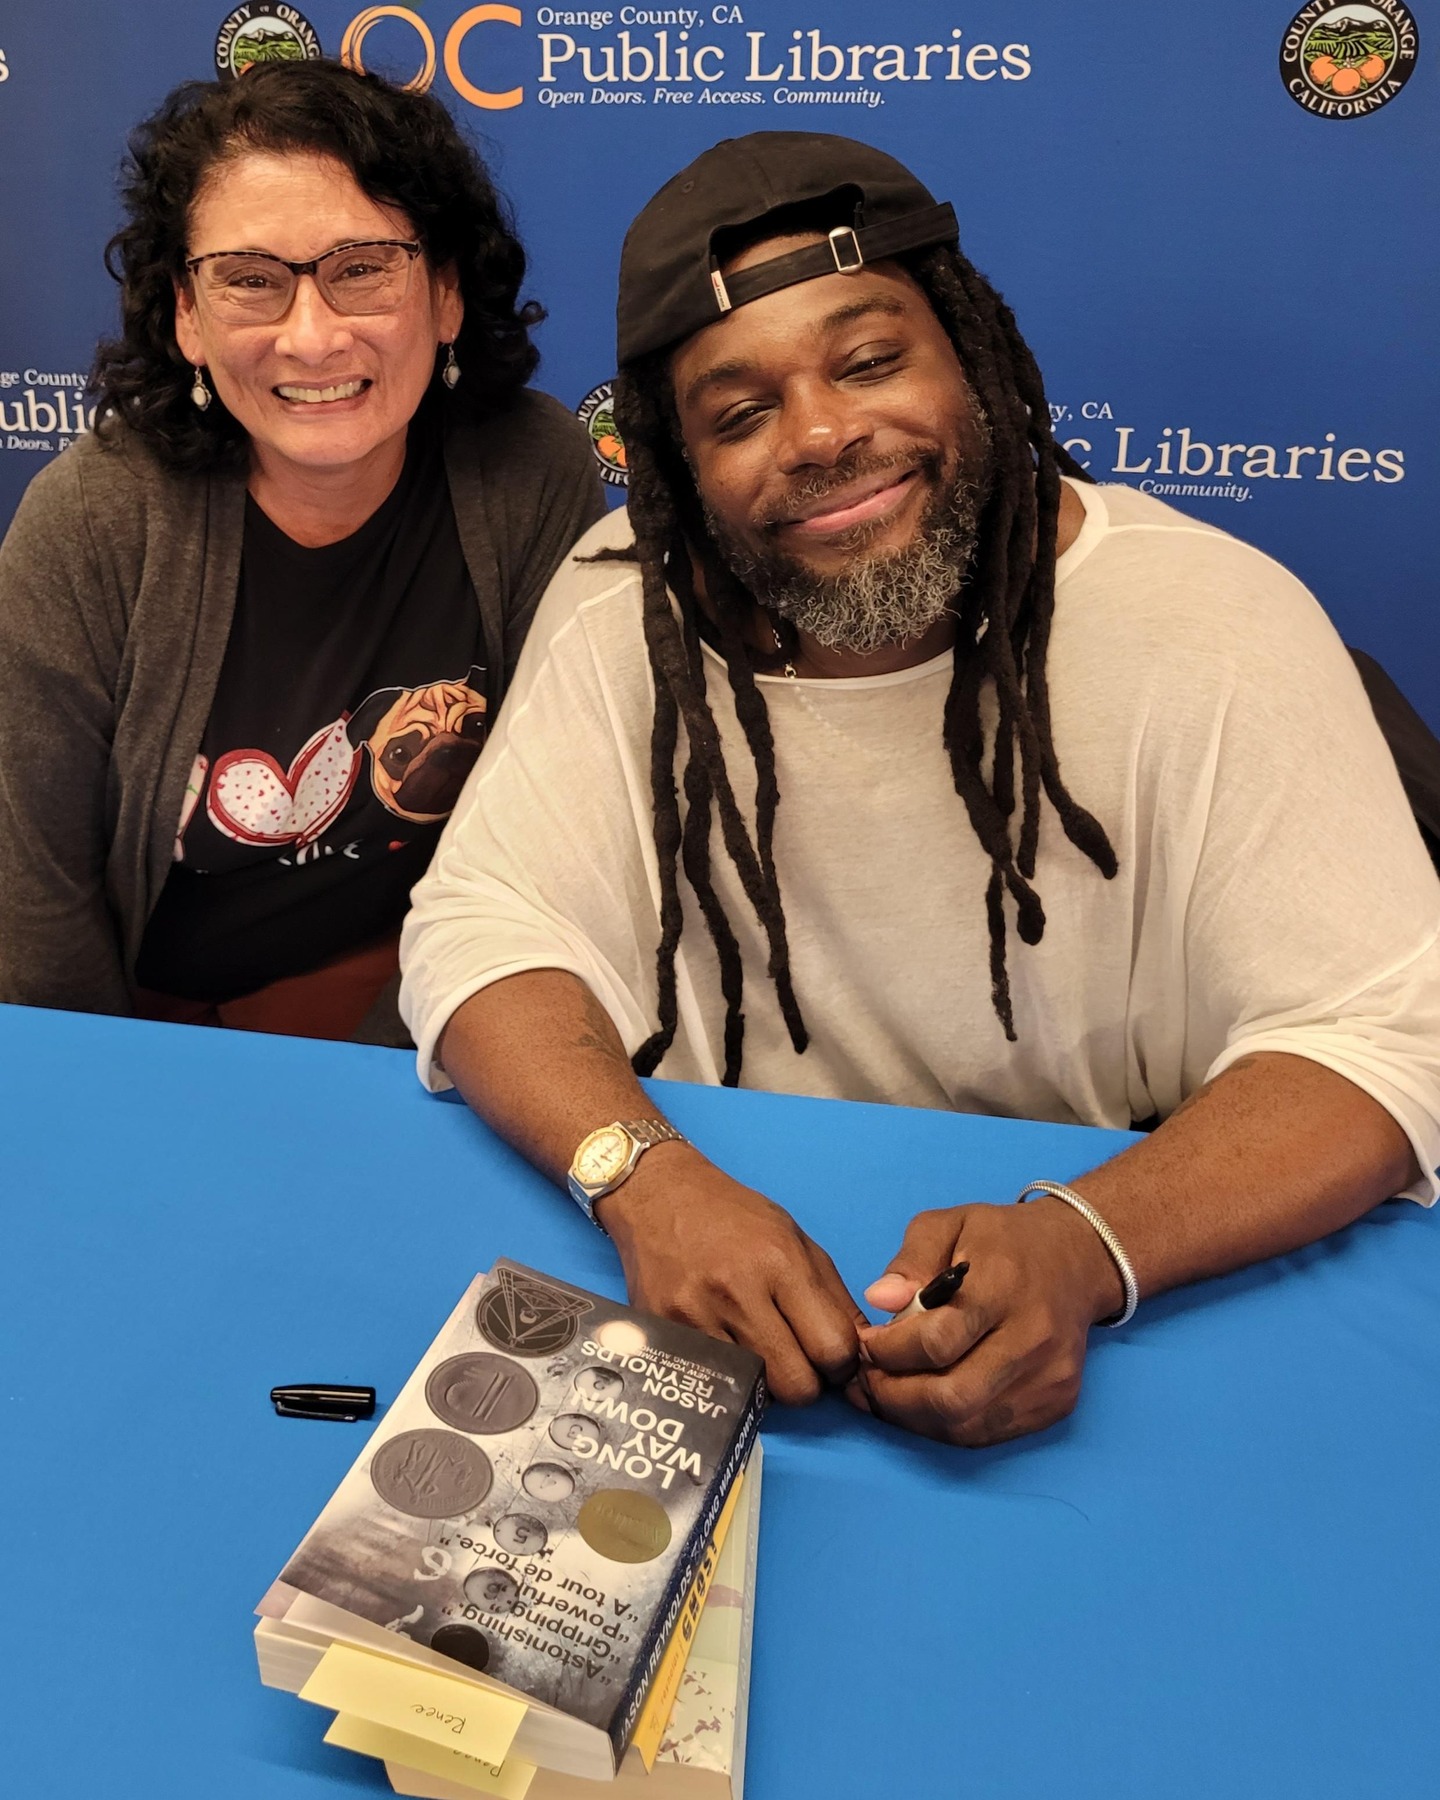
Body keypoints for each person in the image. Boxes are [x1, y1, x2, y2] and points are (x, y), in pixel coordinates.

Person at [398, 133, 1440, 1445]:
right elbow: (485, 925)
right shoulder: (629, 603)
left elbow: (1380, 1037)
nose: (823, 433)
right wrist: (643, 1179)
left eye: (870, 359)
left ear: (972, 357)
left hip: (1122, 1284)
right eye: (739, 412)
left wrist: (1089, 1243)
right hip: (716, 1272)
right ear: (678, 470)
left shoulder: (1221, 623)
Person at [0, 60, 602, 1042]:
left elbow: (551, 836)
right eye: (251, 282)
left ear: (445, 294)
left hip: (435, 998)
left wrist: (386, 1080)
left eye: (361, 268)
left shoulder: (533, 472)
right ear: (187, 317)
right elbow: (34, 904)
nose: (311, 337)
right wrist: (112, 1108)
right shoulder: (89, 521)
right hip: (145, 1028)